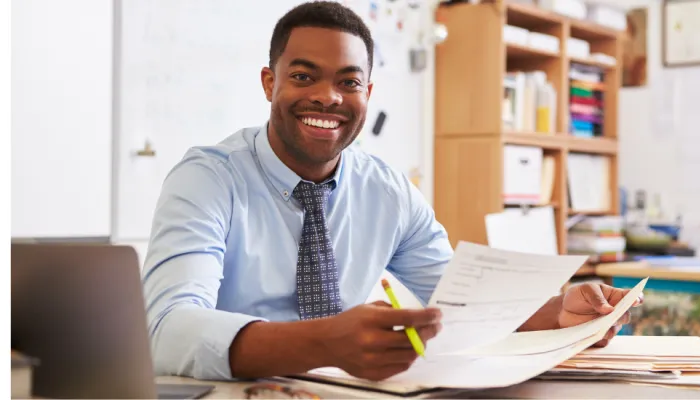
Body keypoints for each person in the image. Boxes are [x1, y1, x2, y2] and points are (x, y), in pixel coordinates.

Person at [142, 1, 641, 383]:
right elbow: (166, 330)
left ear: (367, 95)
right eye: (302, 76)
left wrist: (558, 310)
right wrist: (323, 343)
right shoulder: (207, 179)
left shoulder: (387, 190)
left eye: (348, 81)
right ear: (269, 82)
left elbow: (459, 303)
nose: (327, 96)